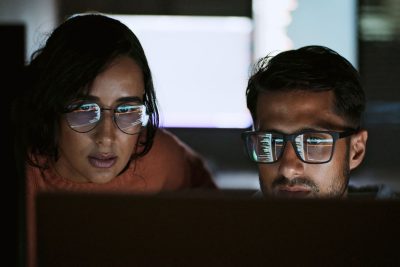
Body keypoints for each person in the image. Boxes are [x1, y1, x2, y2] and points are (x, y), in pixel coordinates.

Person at [14, 13, 216, 267]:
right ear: (51, 106)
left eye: (127, 111)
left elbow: (213, 229)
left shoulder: (162, 158)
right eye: (85, 110)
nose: (106, 137)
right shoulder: (19, 172)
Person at [242, 45, 369, 198]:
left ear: (356, 151)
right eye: (270, 142)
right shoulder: (228, 220)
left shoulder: (389, 221)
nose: (288, 169)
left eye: (313, 142)